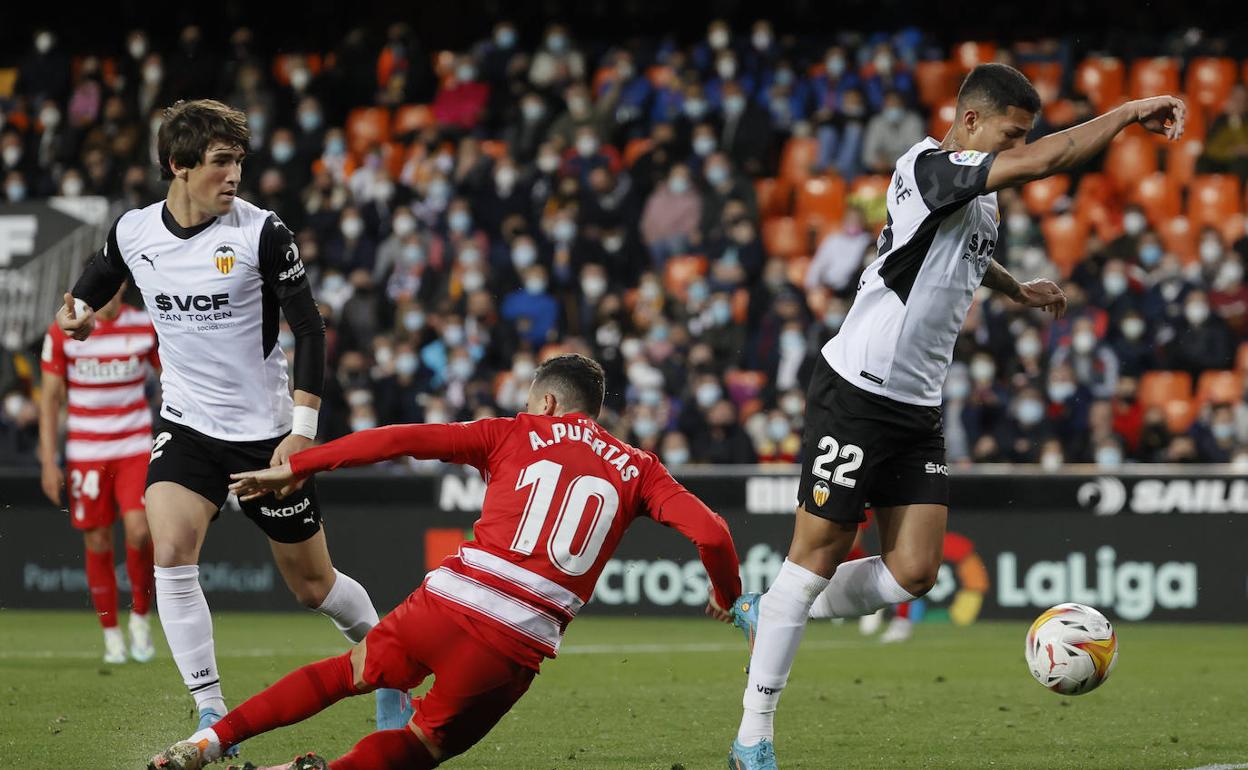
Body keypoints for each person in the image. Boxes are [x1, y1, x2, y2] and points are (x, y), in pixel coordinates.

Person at [726, 63, 1185, 769]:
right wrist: (1124, 111)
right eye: (1011, 134)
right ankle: (753, 735)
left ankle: (776, 609)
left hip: (916, 404)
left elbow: (961, 256)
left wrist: (1016, 290)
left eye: (1021, 137)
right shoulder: (930, 165)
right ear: (971, 122)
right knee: (813, 557)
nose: (1018, 147)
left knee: (916, 571)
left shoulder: (975, 199)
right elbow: (1051, 158)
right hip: (857, 389)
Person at [148, 354, 742, 770]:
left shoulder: (511, 433)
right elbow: (712, 533)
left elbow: (398, 440)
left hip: (446, 603)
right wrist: (727, 592)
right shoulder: (640, 468)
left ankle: (210, 740)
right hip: (511, 647)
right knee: (419, 748)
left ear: (550, 401)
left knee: (343, 673)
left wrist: (299, 465)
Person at [53, 99, 410, 747]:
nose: (234, 175)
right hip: (187, 427)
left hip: (266, 437)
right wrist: (78, 309)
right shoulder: (135, 230)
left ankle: (390, 671)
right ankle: (213, 713)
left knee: (313, 586)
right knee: (170, 551)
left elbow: (309, 327)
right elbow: (103, 271)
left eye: (239, 161)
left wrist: (301, 430)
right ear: (178, 165)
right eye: (221, 162)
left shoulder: (261, 233)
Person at [38, 282, 159, 664]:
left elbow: (175, 374)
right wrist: (47, 459)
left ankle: (140, 618)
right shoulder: (64, 329)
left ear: (122, 286)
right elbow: (51, 398)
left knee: (141, 530)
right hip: (87, 451)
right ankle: (110, 634)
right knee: (98, 541)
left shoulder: (144, 325)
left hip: (134, 446)